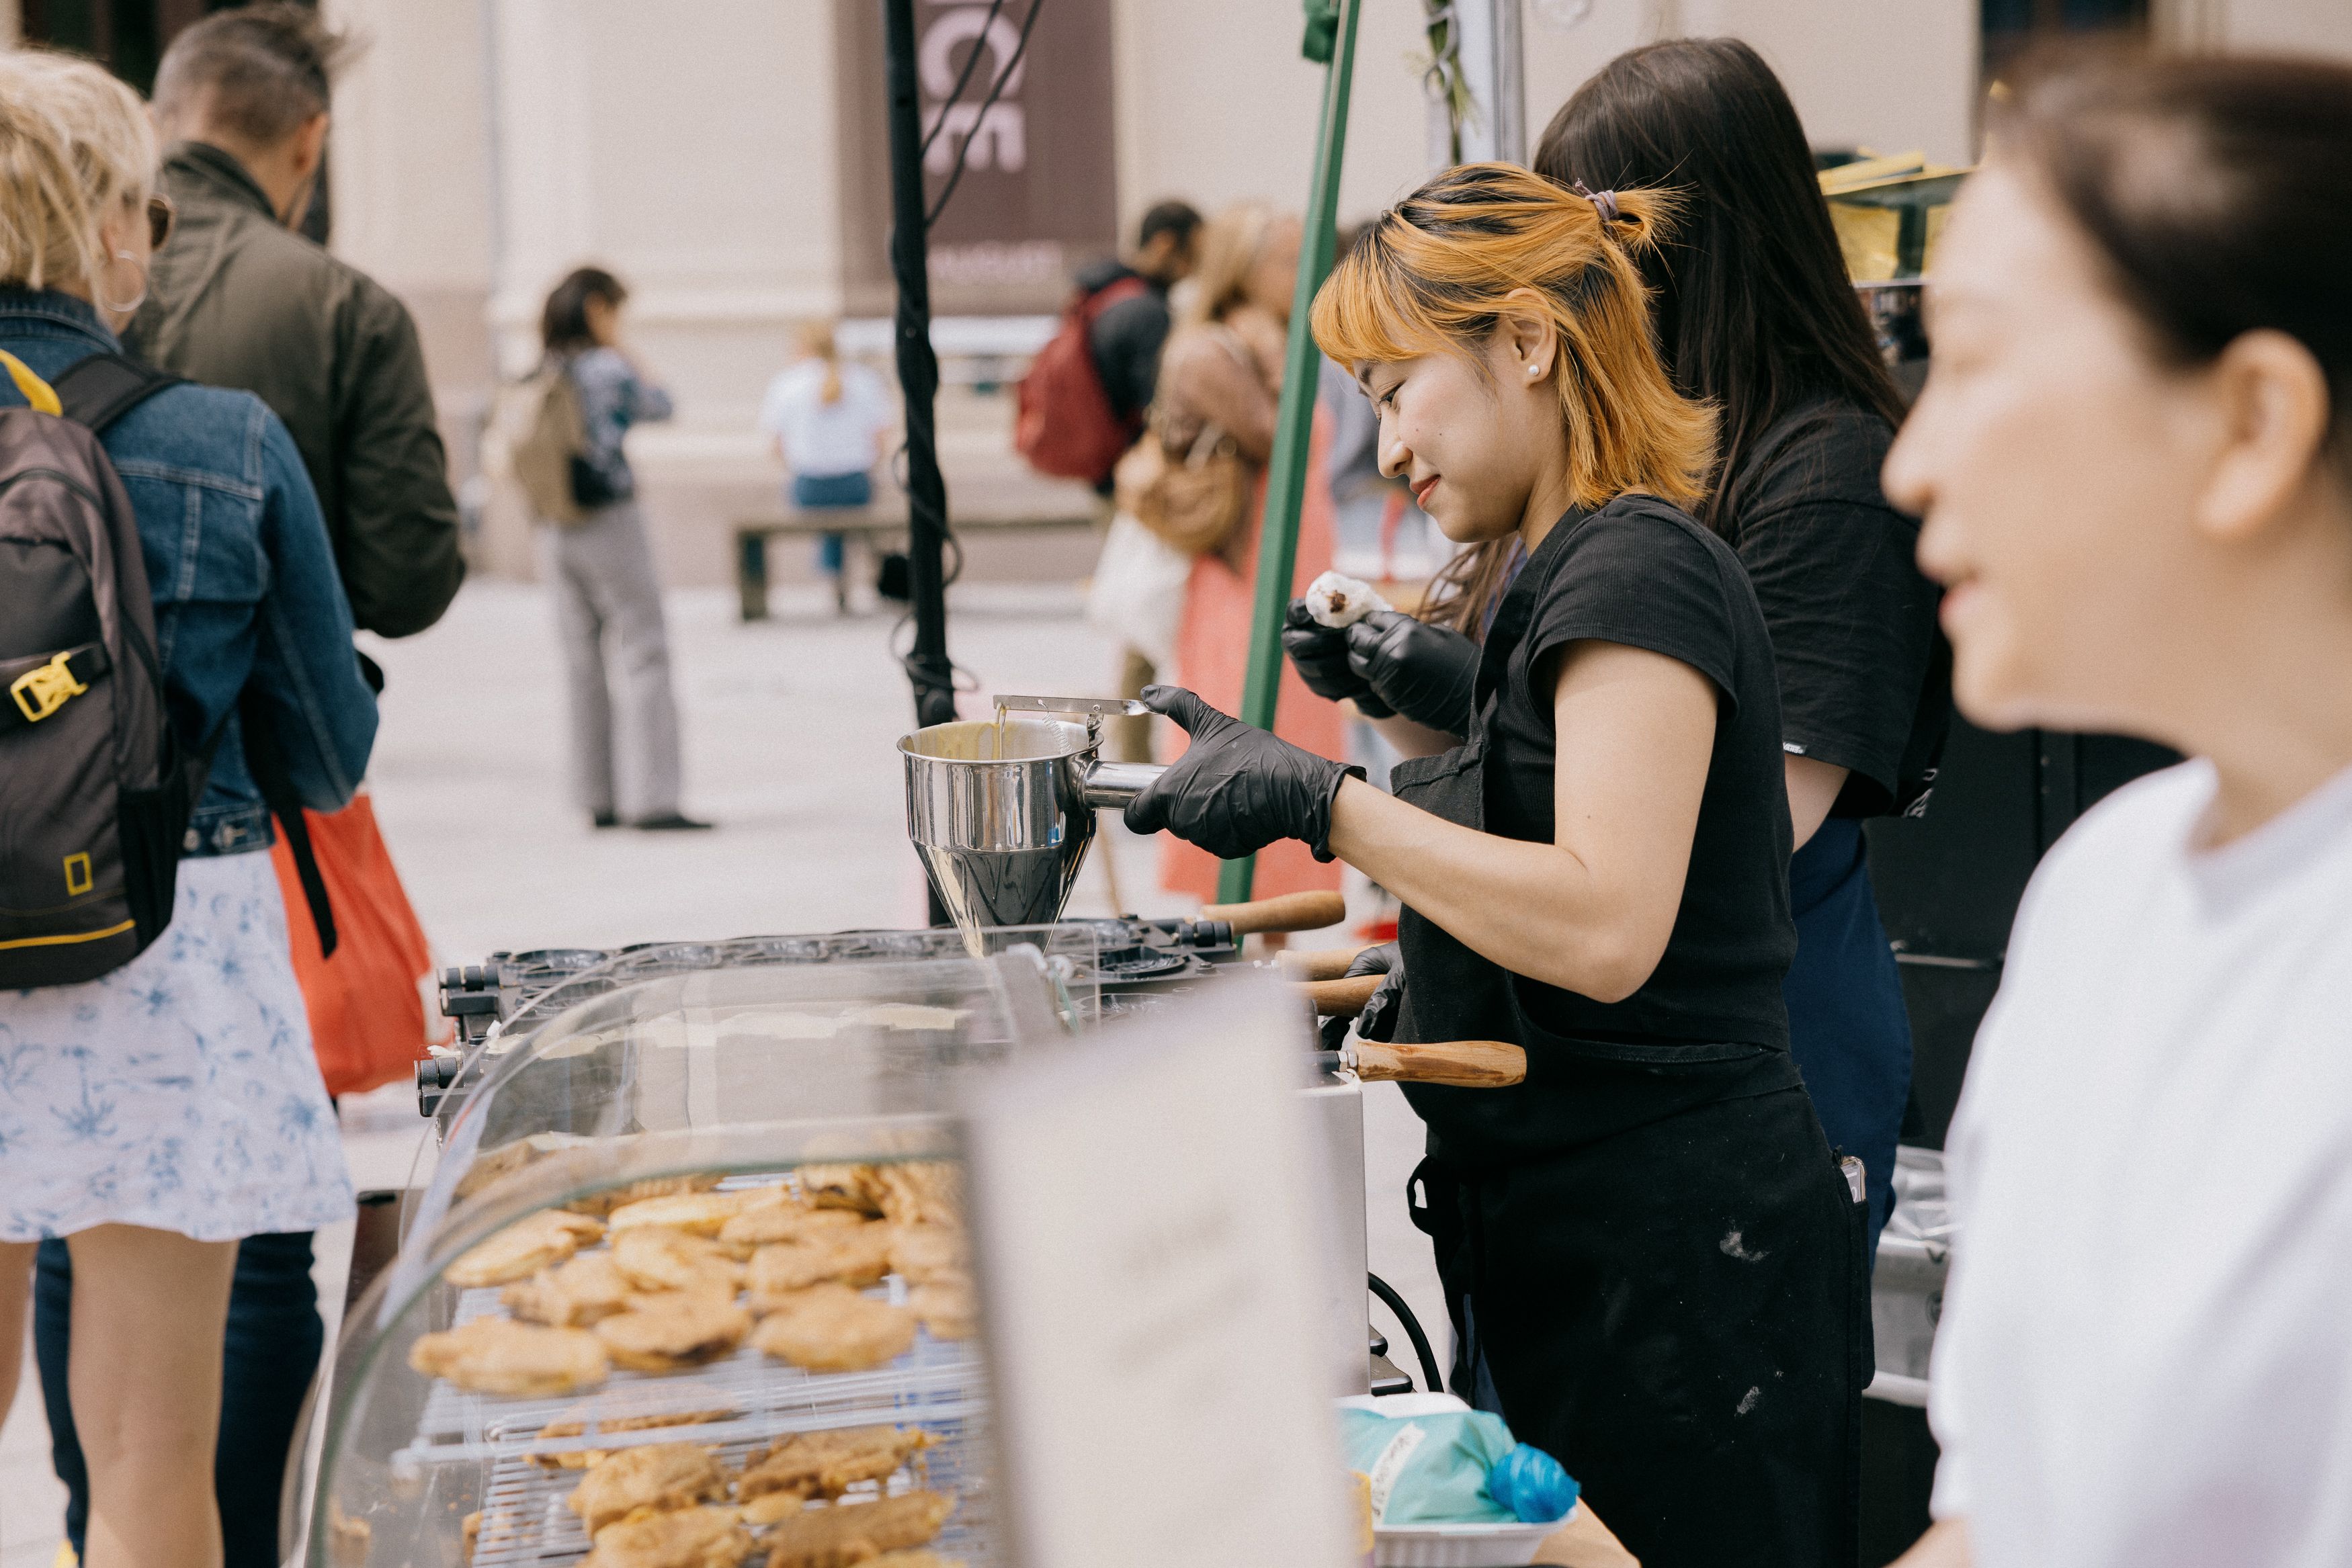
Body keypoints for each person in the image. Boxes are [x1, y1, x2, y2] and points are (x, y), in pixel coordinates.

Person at [1128, 165, 1861, 1567]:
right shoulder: (1570, 569)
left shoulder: (1636, 568)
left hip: (1681, 1270)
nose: (1389, 443)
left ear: (1526, 340)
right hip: (1595, 1240)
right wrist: (1423, 699)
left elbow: (1603, 923)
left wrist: (1323, 799)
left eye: (1399, 390)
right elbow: (1546, 818)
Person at [1881, 48, 2352, 1568]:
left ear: (2253, 423)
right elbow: (2006, 1517)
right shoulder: (2106, 884)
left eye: (1973, 362)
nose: (1910, 460)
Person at [32, 15, 464, 1560]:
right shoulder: (220, 437)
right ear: (108, 221)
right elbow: (329, 753)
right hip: (162, 953)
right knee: (152, 1448)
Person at [1529, 41, 1943, 1252]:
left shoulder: (1833, 474)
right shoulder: (1643, 456)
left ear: (1688, 240)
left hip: (1770, 1051)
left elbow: (1770, 815)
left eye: (1590, 236)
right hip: (1624, 1037)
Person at [130, 3, 463, 640]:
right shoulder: (352, 310)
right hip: (270, 692)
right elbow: (407, 589)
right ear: (310, 140)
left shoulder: (65, 275)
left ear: (151, 124)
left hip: (68, 695)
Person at [1148, 200, 1343, 906]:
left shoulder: (1268, 340)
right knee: (1252, 734)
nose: (1305, 273)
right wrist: (1273, 357)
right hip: (1248, 579)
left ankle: (1283, 915)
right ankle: (1241, 917)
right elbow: (1281, 441)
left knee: (1301, 736)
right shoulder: (1214, 351)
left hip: (1293, 566)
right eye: (1288, 261)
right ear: (1243, 268)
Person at [536, 265, 706, 832]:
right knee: (645, 648)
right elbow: (662, 404)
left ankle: (596, 796)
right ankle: (653, 799)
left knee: (581, 660)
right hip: (608, 518)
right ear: (597, 309)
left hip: (554, 524)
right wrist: (625, 351)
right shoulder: (607, 367)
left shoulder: (543, 367)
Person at [1081, 199, 1200, 761]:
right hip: (1143, 486)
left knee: (1139, 617)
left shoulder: (1105, 296)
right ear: (1167, 244)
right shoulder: (1145, 312)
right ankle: (1133, 756)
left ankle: (1134, 751)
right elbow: (1162, 409)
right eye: (1194, 250)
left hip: (1115, 479)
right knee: (1145, 615)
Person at [757, 320, 893, 611]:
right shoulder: (864, 379)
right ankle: (872, 567)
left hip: (810, 485)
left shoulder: (787, 383)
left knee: (826, 511)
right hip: (855, 482)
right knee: (851, 506)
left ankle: (834, 575)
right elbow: (880, 439)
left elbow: (777, 445)